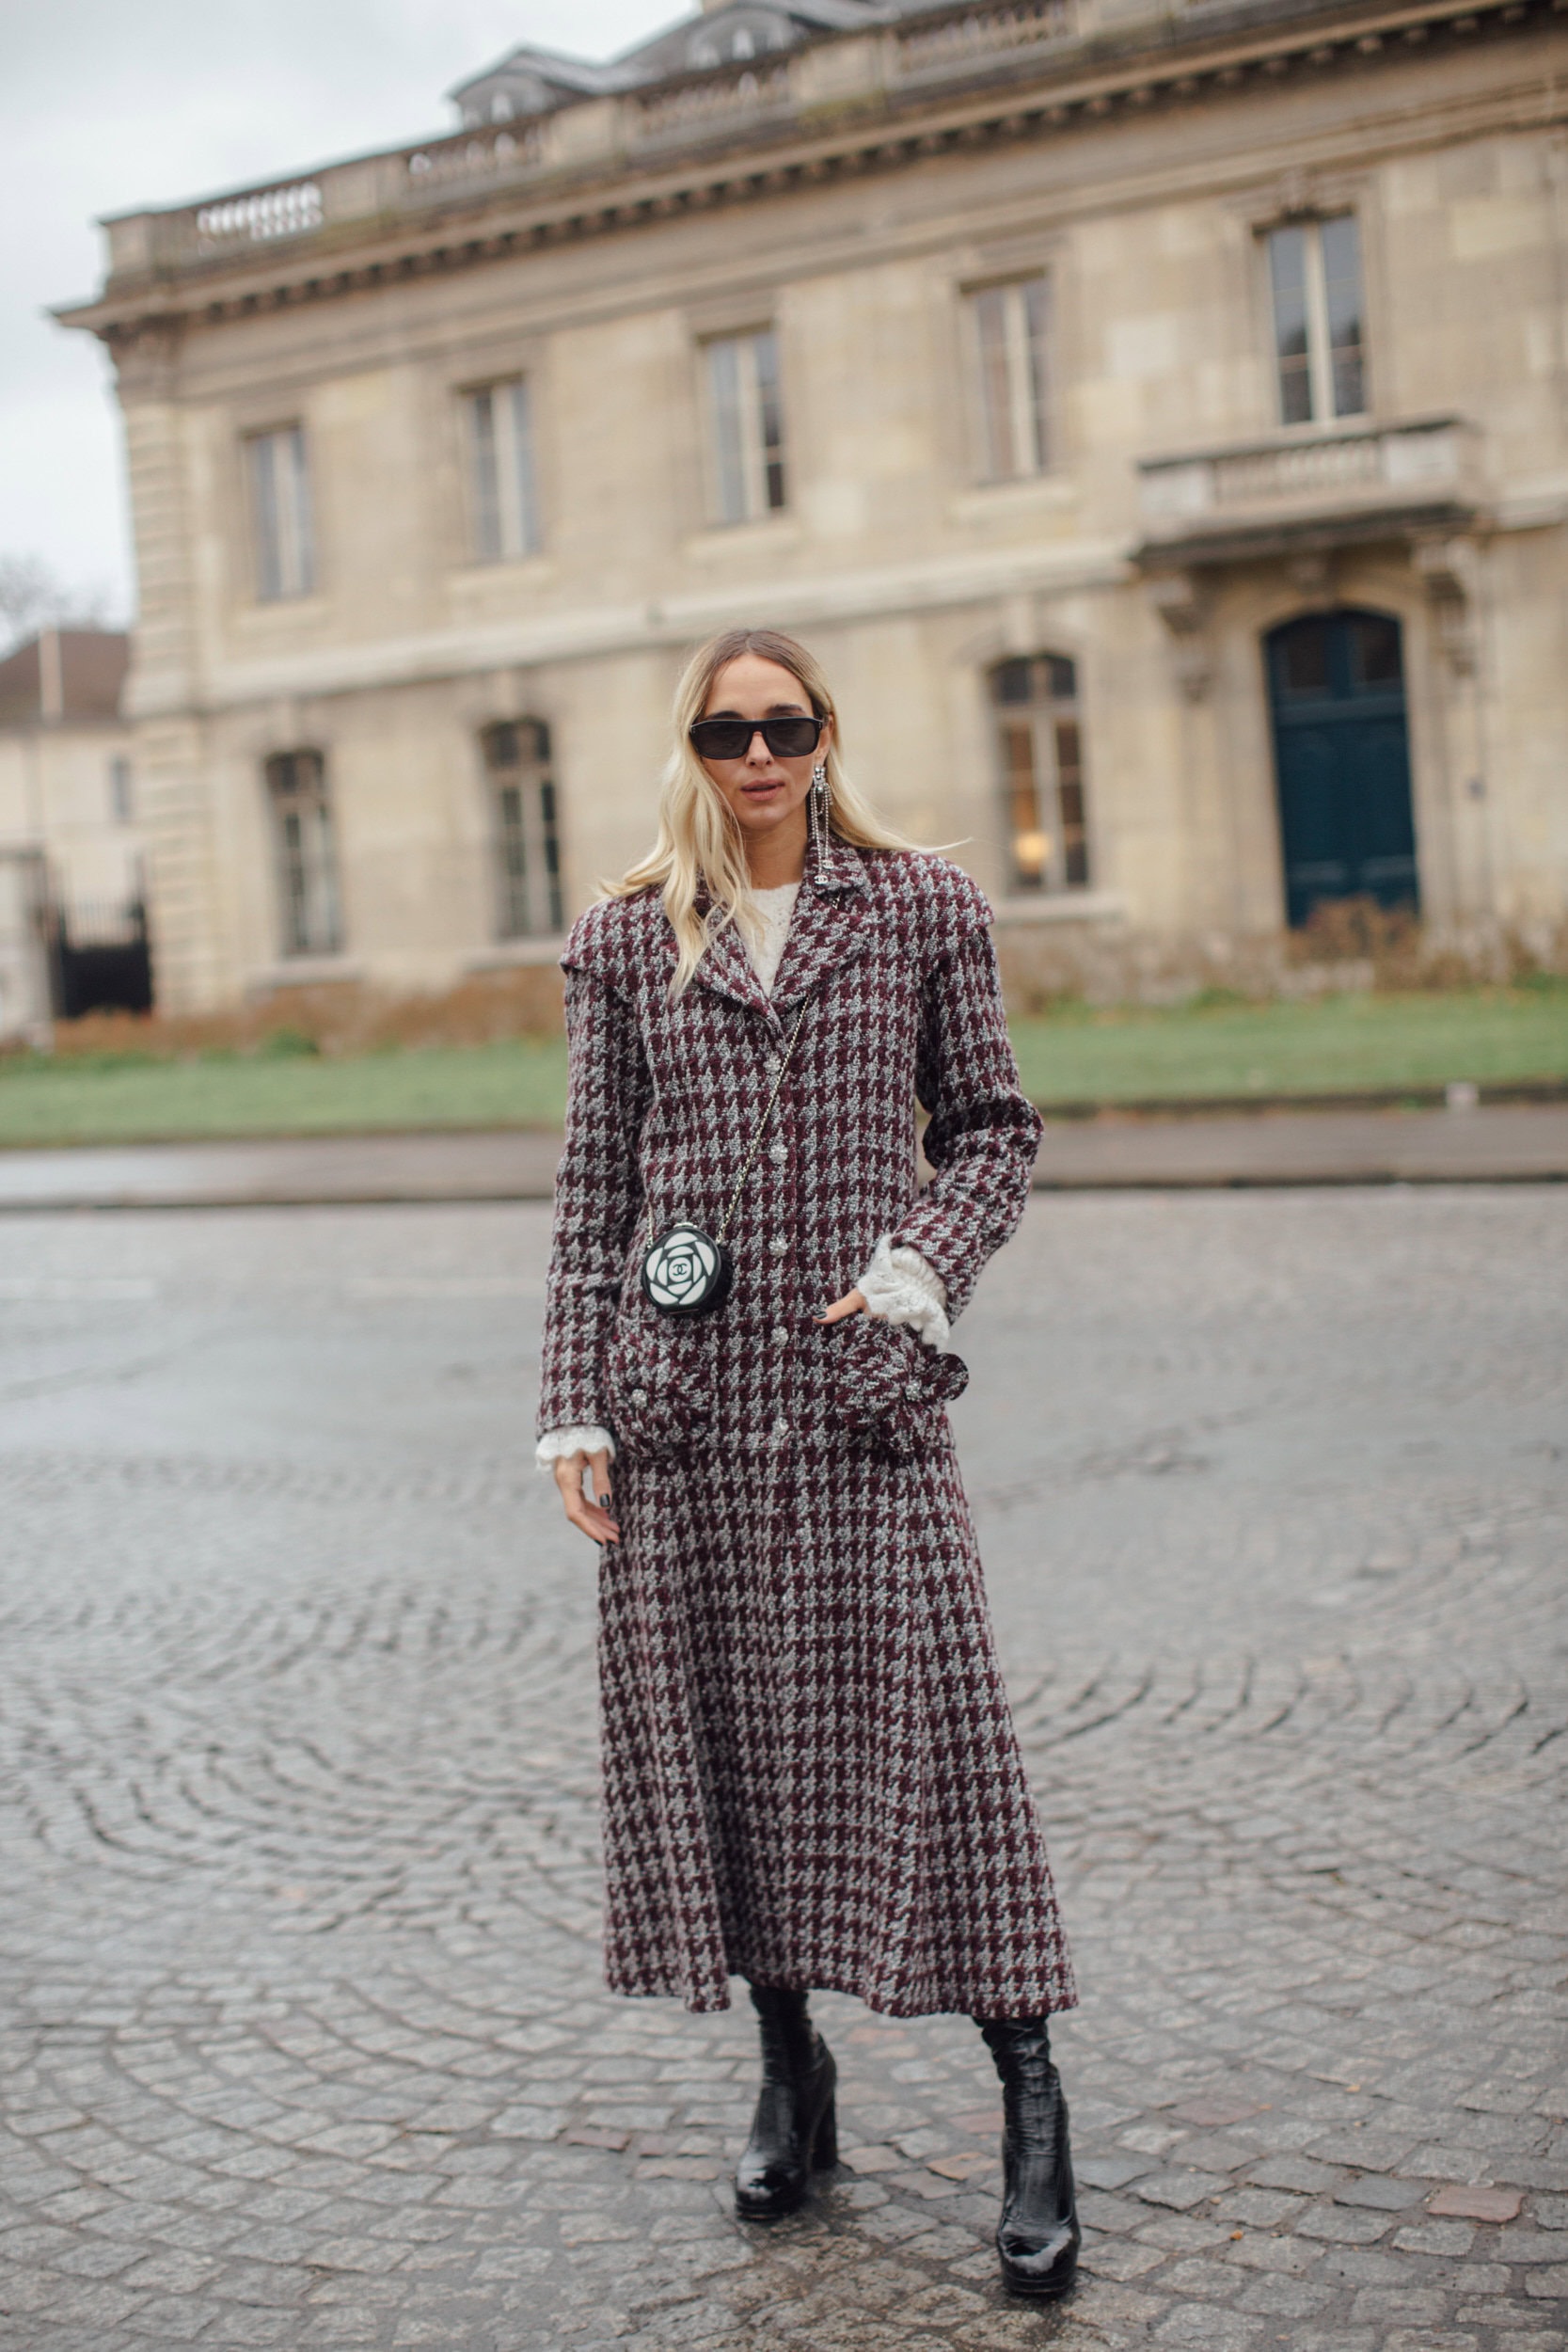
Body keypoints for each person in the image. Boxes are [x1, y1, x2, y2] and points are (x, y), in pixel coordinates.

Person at [535, 626, 1079, 2298]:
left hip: (862, 1399)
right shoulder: (628, 940)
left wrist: (923, 1264)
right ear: (691, 749)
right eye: (727, 732)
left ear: (826, 735)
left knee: (948, 1745)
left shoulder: (920, 909)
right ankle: (791, 2073)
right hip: (687, 1408)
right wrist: (574, 1402)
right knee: (736, 1748)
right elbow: (594, 1192)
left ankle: (1032, 2098)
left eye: (784, 726)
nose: (758, 757)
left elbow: (995, 1131)